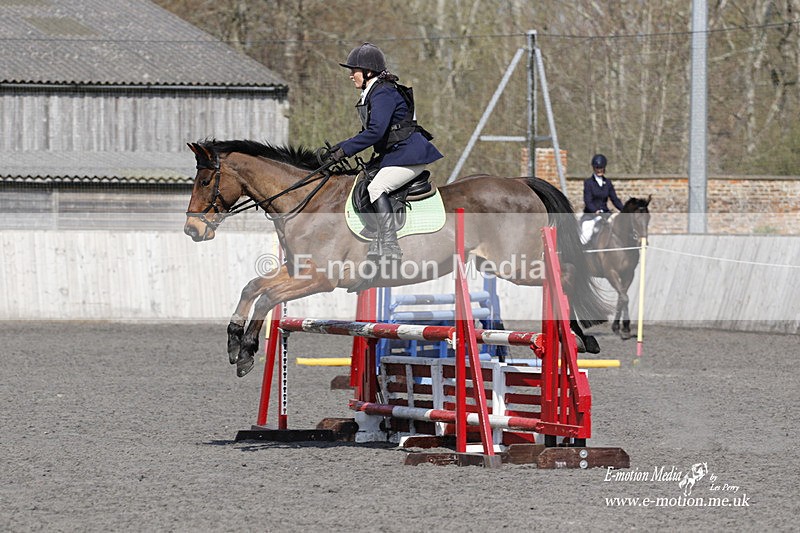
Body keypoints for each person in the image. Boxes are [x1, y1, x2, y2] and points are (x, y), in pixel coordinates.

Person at [320, 42, 443, 261]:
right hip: (397, 154)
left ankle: (390, 244)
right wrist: (339, 148)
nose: (350, 75)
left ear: (368, 72)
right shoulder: (375, 92)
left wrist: (344, 151)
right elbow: (370, 131)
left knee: (377, 187)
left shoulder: (383, 93)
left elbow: (375, 132)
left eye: (354, 70)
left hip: (409, 156)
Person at [581, 154, 624, 245]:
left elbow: (615, 199)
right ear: (594, 168)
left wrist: (624, 210)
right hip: (591, 215)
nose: (599, 170)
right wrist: (595, 210)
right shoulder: (588, 183)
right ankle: (582, 249)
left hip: (605, 214)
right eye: (597, 168)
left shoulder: (607, 183)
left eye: (601, 168)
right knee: (586, 234)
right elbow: (588, 200)